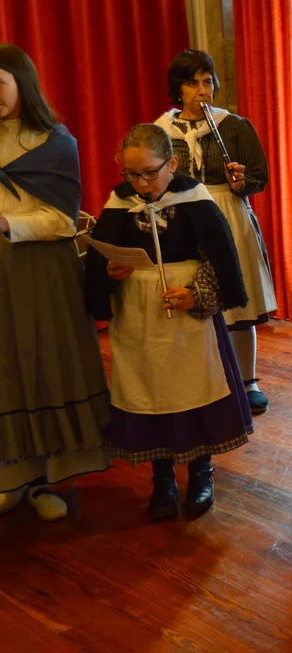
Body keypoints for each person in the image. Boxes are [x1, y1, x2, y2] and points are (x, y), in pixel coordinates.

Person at [86, 123, 253, 519]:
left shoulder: (195, 199)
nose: (141, 183)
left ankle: (201, 472)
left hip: (186, 312)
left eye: (150, 173)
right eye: (132, 174)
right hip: (137, 313)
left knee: (192, 386)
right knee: (149, 389)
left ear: (172, 164)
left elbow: (222, 259)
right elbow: (99, 261)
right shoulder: (119, 201)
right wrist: (109, 273)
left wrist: (198, 294)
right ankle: (161, 478)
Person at [0, 43, 110, 520]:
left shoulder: (55, 143)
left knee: (43, 367)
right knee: (6, 372)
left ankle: (45, 481)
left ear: (22, 84)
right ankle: (12, 475)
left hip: (42, 271)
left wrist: (7, 224)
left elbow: (64, 221)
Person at [154, 50, 277, 415]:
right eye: (192, 83)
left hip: (228, 214)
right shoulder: (160, 131)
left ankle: (247, 380)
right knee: (191, 293)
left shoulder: (234, 125)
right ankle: (199, 378)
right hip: (182, 216)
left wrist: (241, 182)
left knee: (238, 300)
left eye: (207, 82)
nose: (202, 90)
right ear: (178, 88)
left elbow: (260, 177)